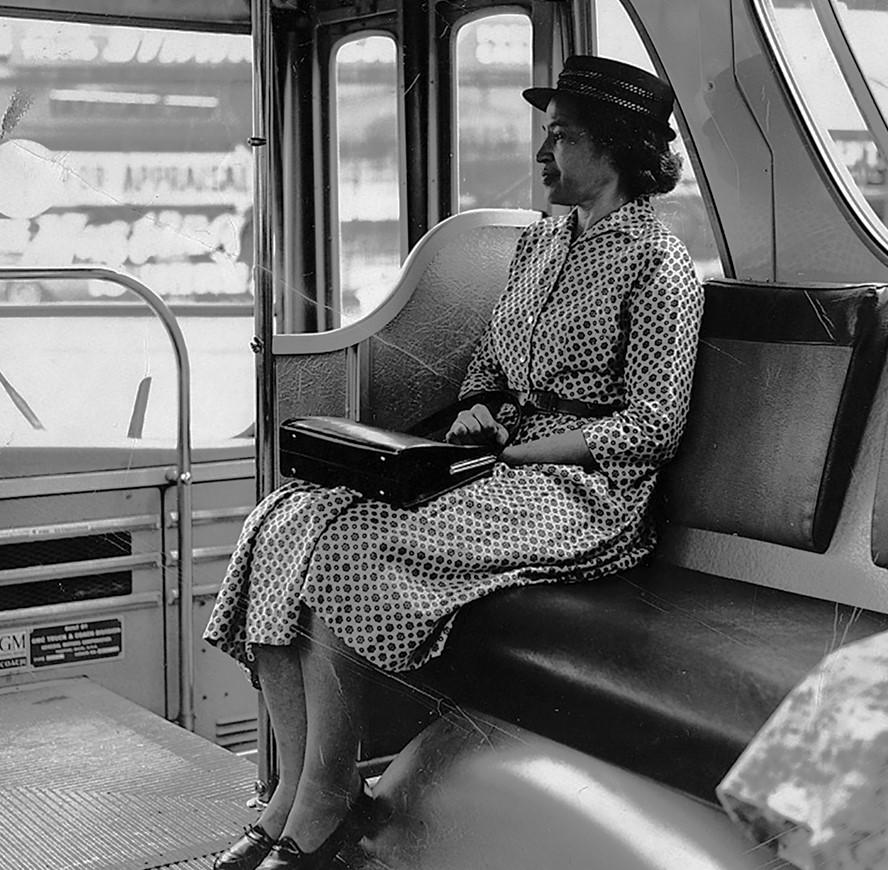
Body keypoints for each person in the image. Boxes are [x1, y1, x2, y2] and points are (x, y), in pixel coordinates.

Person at [205, 54, 704, 870]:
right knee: (281, 519)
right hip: (505, 462)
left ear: (615, 150)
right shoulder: (542, 243)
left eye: (562, 138)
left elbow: (653, 424)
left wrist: (527, 450)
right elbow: (492, 364)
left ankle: (327, 809)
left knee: (347, 545)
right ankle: (293, 801)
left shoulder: (658, 265)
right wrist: (477, 406)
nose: (543, 156)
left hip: (583, 492)